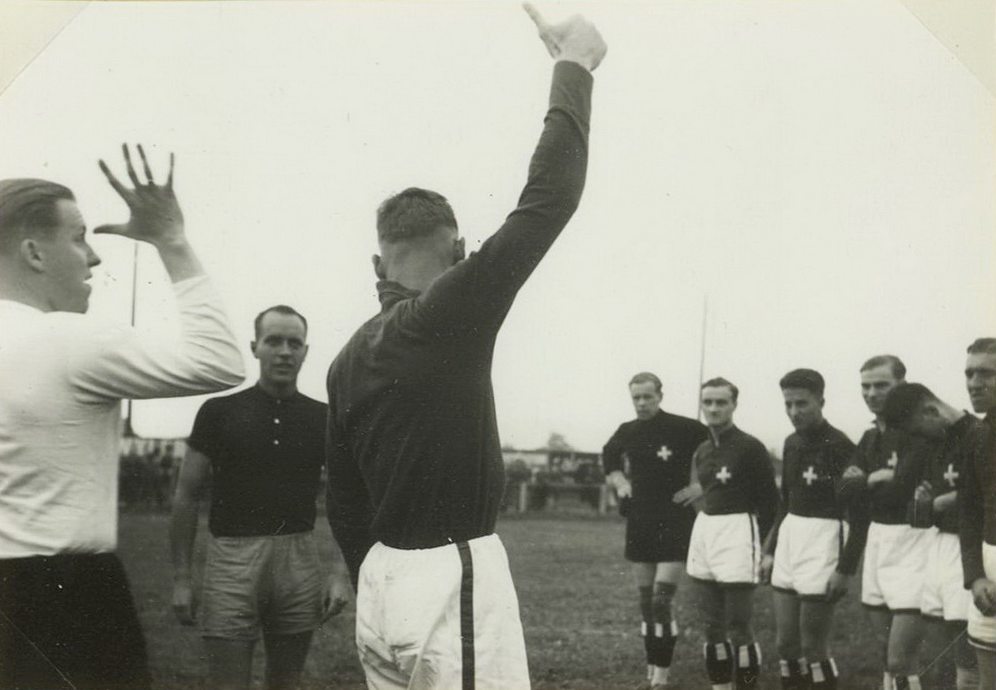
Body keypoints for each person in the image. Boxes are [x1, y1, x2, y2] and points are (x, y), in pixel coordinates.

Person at [324, 7, 606, 689]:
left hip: (382, 578)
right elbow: (549, 200)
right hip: (449, 570)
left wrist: (375, 571)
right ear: (456, 249)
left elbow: (344, 498)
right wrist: (573, 69)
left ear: (376, 263)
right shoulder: (444, 313)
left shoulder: (344, 358)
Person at [0, 145, 245, 690]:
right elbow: (221, 362)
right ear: (34, 253)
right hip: (67, 596)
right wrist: (171, 241)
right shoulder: (65, 338)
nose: (94, 257)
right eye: (79, 236)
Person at [170, 305, 351, 690]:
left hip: (298, 561)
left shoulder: (324, 417)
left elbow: (346, 496)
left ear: (305, 351)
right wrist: (183, 578)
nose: (284, 351)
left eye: (294, 343)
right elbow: (186, 495)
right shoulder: (218, 411)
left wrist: (339, 574)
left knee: (285, 683)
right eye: (273, 341)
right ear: (255, 347)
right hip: (231, 561)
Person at [602, 372, 709, 688]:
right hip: (641, 520)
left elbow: (720, 450)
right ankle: (653, 665)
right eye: (636, 397)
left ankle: (661, 675)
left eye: (648, 396)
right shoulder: (628, 430)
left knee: (662, 602)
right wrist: (620, 482)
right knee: (646, 603)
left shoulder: (684, 427)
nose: (642, 403)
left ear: (660, 396)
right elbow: (608, 457)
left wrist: (699, 487)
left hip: (675, 520)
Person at [760, 369, 862, 690]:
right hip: (791, 537)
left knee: (813, 649)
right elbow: (784, 502)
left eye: (801, 404)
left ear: (821, 400)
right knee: (785, 646)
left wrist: (844, 569)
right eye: (788, 404)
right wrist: (769, 550)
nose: (794, 412)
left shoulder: (841, 446)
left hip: (824, 539)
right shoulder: (790, 443)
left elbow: (858, 514)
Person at [839, 355, 933, 690]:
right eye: (866, 386)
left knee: (900, 659)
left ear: (902, 386)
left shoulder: (918, 433)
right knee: (886, 656)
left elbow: (900, 490)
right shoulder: (868, 438)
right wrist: (873, 479)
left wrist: (864, 481)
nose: (872, 392)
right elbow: (843, 489)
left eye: (882, 385)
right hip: (878, 540)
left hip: (913, 540)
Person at [881, 382, 981, 690]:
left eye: (918, 430)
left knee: (971, 664)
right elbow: (917, 515)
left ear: (930, 410)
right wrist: (929, 505)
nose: (918, 439)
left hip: (971, 551)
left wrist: (937, 502)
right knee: (947, 663)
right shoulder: (935, 445)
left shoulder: (980, 435)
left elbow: (983, 494)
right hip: (939, 550)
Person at [685, 377, 779, 690]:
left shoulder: (750, 447)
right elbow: (701, 494)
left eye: (721, 402)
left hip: (739, 532)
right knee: (712, 627)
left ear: (733, 405)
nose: (713, 408)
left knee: (739, 627)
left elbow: (770, 501)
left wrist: (767, 549)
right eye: (708, 402)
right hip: (706, 532)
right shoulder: (700, 450)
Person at [959, 338, 996, 689]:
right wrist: (975, 577)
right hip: (990, 570)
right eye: (969, 373)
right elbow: (968, 512)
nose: (974, 383)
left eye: (985, 373)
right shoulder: (977, 435)